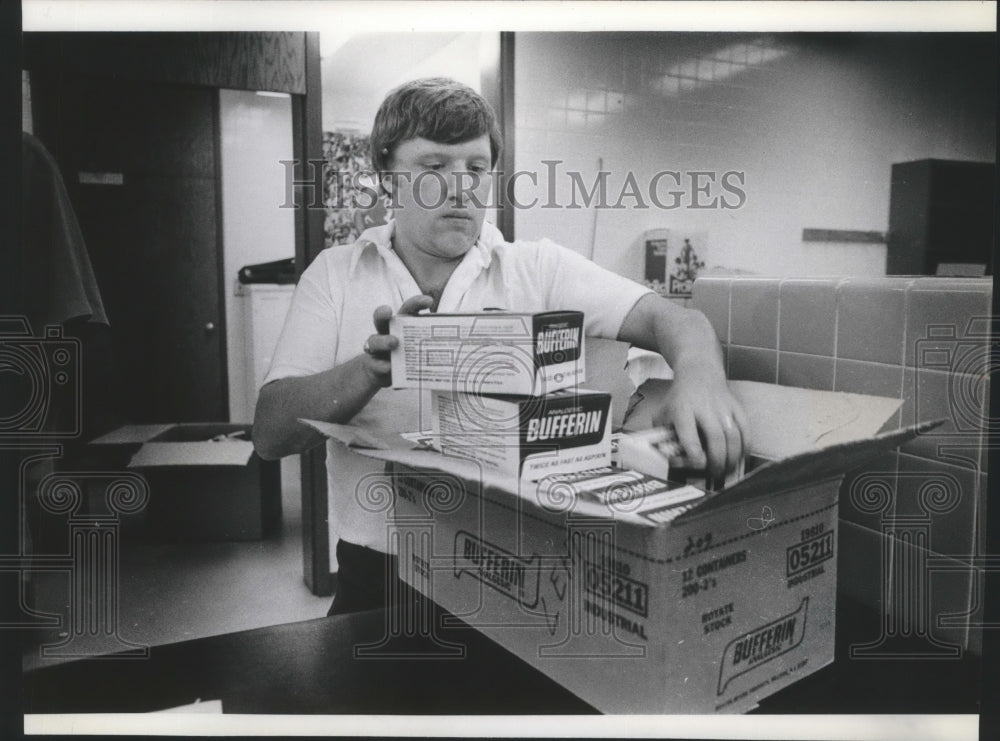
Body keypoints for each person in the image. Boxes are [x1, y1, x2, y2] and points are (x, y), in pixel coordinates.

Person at [253, 77, 748, 615]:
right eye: (434, 167)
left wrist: (699, 376)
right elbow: (271, 433)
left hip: (515, 574)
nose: (461, 187)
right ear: (387, 177)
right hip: (380, 578)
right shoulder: (336, 275)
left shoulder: (536, 268)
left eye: (475, 167)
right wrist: (370, 369)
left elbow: (673, 319)